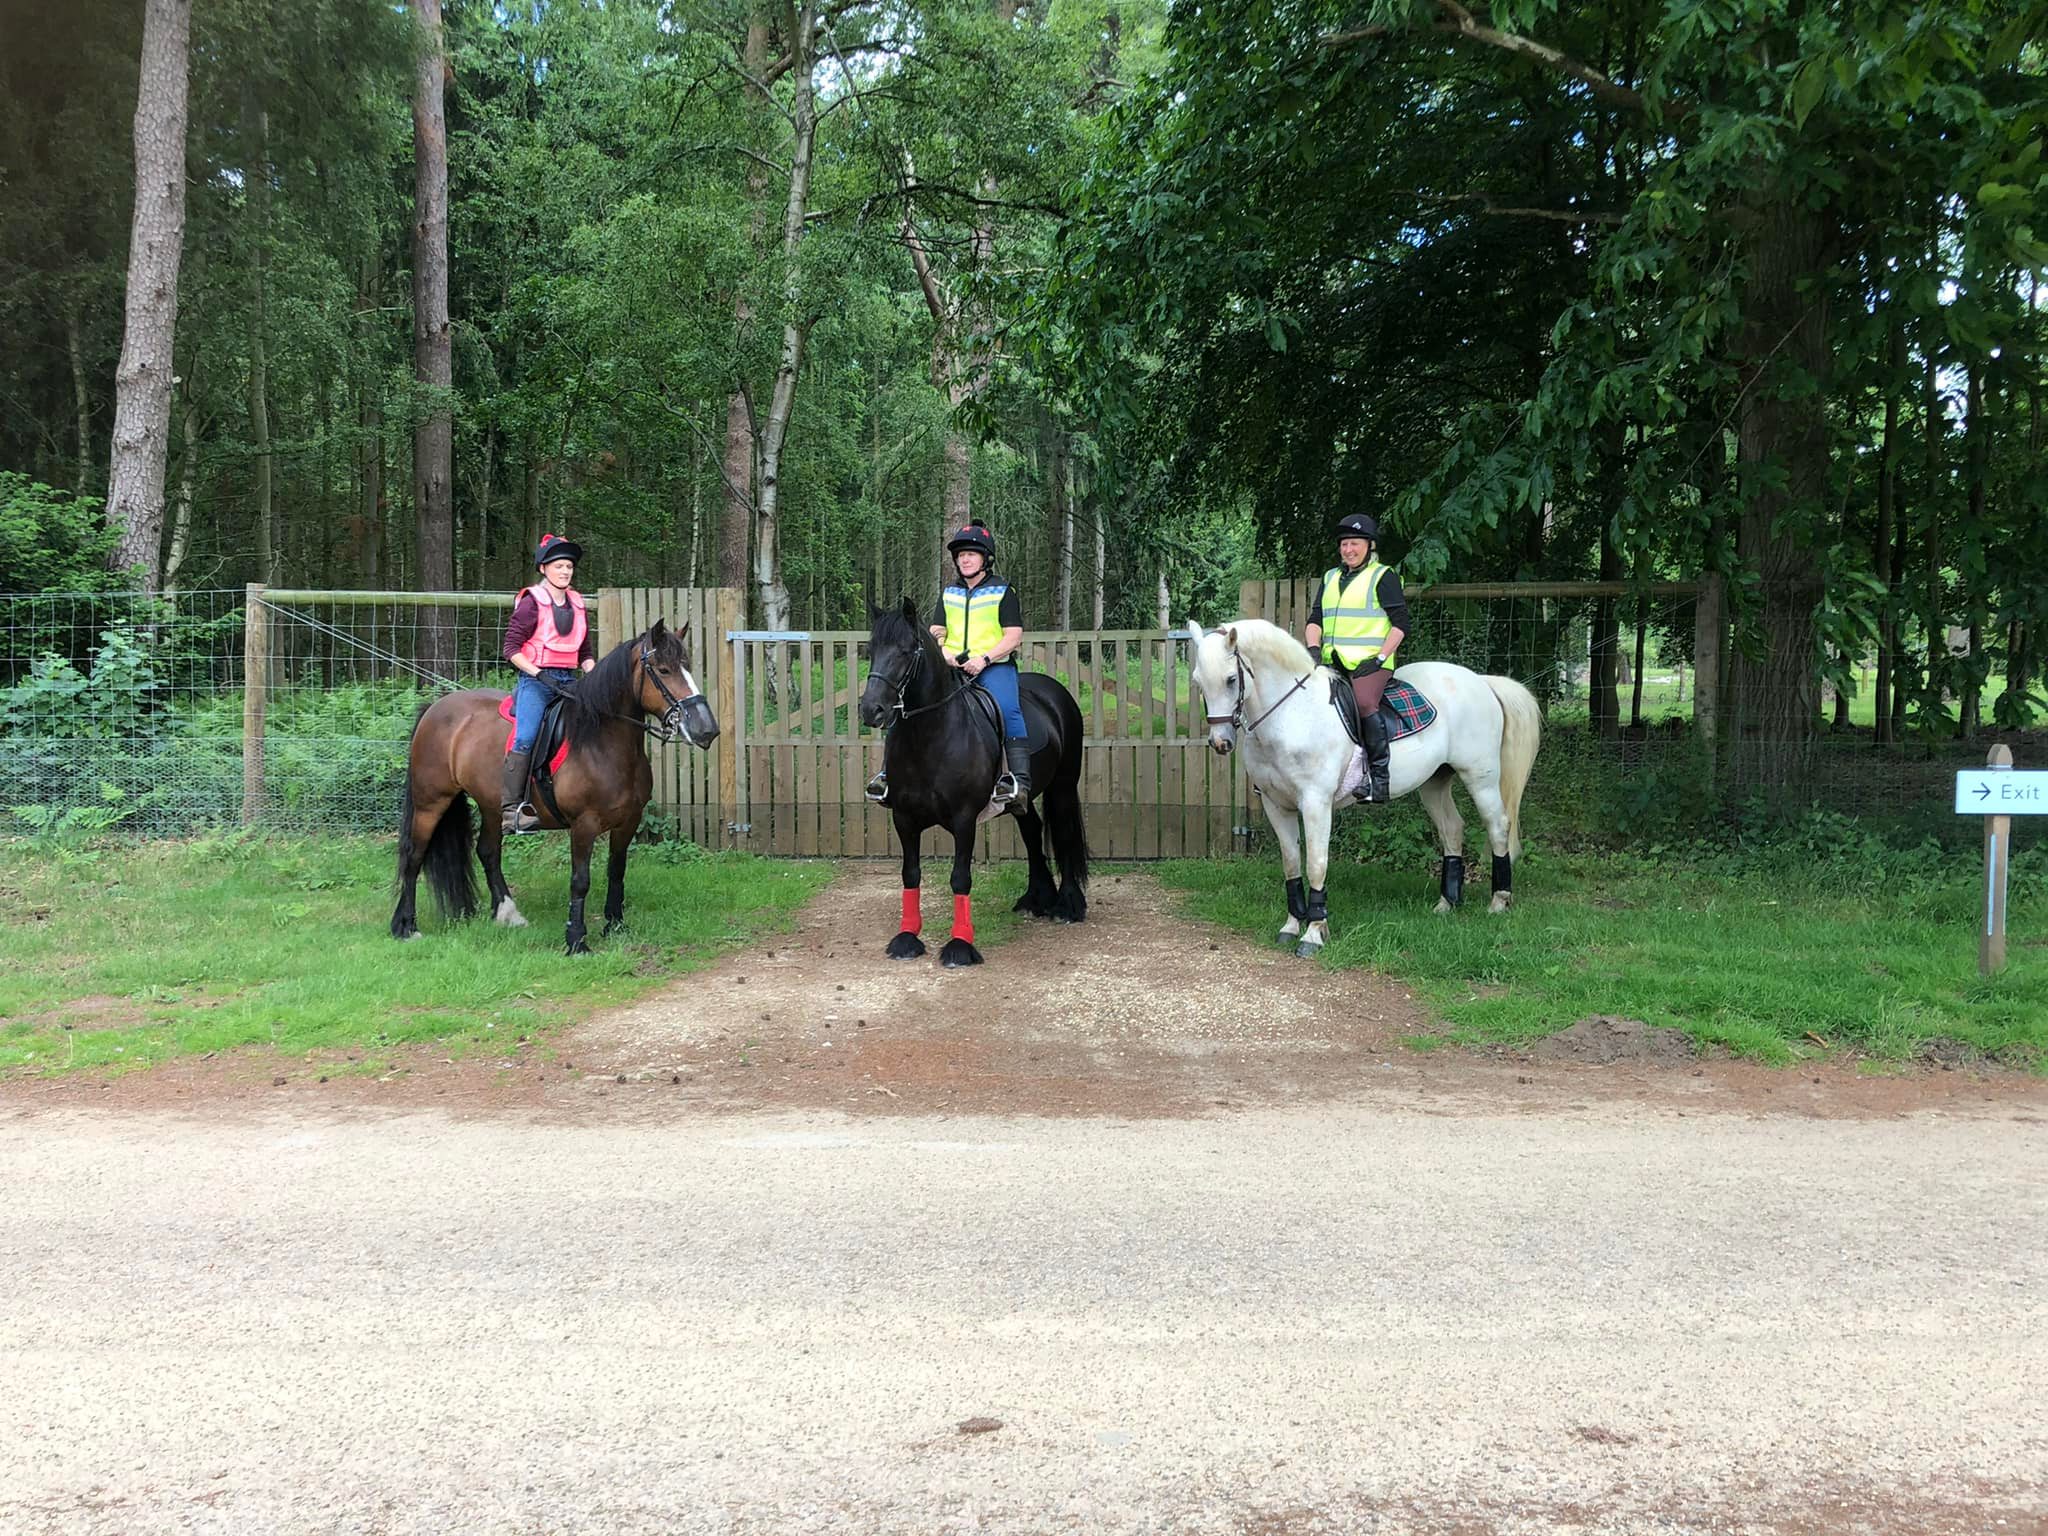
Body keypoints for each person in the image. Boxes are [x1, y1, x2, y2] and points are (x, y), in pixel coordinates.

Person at [865, 519, 1030, 807]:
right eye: (960, 555)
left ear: (985, 558)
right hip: (952, 667)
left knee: (1007, 708)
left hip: (993, 667)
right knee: (906, 707)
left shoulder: (1003, 591)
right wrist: (945, 654)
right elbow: (936, 631)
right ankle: (888, 775)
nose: (964, 559)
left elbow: (1013, 636)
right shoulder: (949, 593)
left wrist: (985, 658)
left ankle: (1016, 780)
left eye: (971, 554)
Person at [1304, 511, 1408, 803]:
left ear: (1369, 546)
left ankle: (1377, 779)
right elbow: (1316, 618)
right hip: (1333, 661)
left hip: (1371, 664)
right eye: (1344, 544)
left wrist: (1379, 658)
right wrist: (1313, 649)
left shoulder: (1383, 576)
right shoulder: (1330, 577)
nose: (1348, 550)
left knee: (1364, 702)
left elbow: (1401, 624)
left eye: (1355, 544)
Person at [501, 532, 597, 833]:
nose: (565, 571)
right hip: (536, 681)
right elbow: (510, 649)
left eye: (569, 566)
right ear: (544, 568)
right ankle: (510, 808)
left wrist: (594, 676)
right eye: (559, 566)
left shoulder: (578, 603)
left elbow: (585, 652)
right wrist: (538, 673)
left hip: (570, 681)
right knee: (526, 735)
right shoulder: (532, 602)